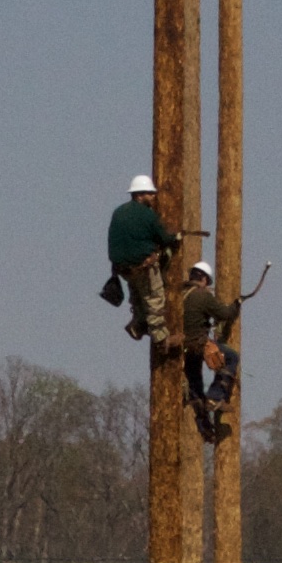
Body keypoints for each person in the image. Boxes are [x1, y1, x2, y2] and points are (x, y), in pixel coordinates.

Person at [106, 174, 178, 340]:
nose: (153, 196)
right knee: (155, 299)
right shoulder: (148, 215)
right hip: (143, 266)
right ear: (139, 195)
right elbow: (164, 238)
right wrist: (175, 238)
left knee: (138, 298)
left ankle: (137, 325)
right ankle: (161, 338)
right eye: (149, 193)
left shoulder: (118, 212)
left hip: (123, 269)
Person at [177, 261, 241, 440]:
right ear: (204, 279)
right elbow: (225, 314)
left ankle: (204, 426)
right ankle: (215, 395)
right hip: (198, 344)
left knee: (195, 385)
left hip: (182, 349)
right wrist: (236, 305)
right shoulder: (202, 296)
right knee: (231, 358)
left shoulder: (178, 294)